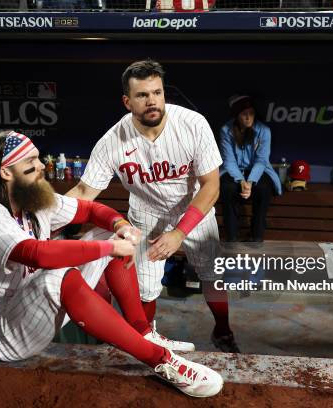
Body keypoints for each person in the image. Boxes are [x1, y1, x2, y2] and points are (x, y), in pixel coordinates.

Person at [0, 130, 223, 398]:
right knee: (61, 274)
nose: (39, 167)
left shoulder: (29, 197)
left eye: (37, 159)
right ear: (6, 172)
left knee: (109, 234)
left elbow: (90, 209)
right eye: (30, 163)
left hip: (34, 306)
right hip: (2, 332)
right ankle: (161, 361)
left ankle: (143, 332)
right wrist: (108, 248)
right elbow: (38, 254)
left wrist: (121, 226)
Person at [66, 59, 240, 353]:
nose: (152, 101)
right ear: (127, 101)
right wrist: (42, 215)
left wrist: (179, 233)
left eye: (157, 93)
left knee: (212, 277)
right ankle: (146, 340)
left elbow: (211, 186)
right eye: (142, 95)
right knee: (145, 290)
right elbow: (84, 190)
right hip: (146, 215)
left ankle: (222, 330)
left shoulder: (192, 124)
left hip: (193, 208)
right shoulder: (112, 141)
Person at [219, 95, 282, 243]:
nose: (248, 117)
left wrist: (251, 181)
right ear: (236, 115)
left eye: (251, 113)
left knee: (263, 188)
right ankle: (232, 239)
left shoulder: (264, 131)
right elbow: (229, 161)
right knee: (228, 188)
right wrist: (241, 181)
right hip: (234, 170)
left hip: (259, 170)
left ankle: (256, 237)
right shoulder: (226, 130)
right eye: (243, 114)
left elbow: (261, 161)